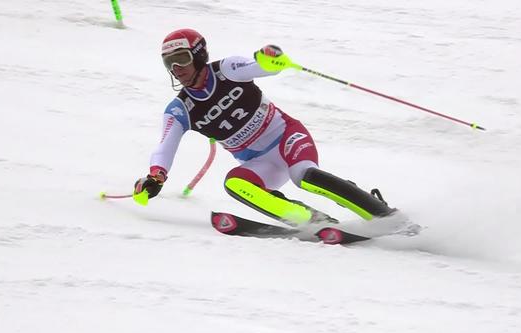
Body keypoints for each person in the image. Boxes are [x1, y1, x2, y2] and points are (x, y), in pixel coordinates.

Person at [134, 28, 395, 227]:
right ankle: (311, 220)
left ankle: (382, 215)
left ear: (199, 55)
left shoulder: (227, 70)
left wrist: (269, 59)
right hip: (260, 162)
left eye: (181, 58)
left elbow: (259, 67)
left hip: (287, 138)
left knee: (303, 176)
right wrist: (156, 176)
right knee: (235, 183)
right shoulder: (179, 109)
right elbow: (165, 147)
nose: (176, 68)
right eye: (169, 63)